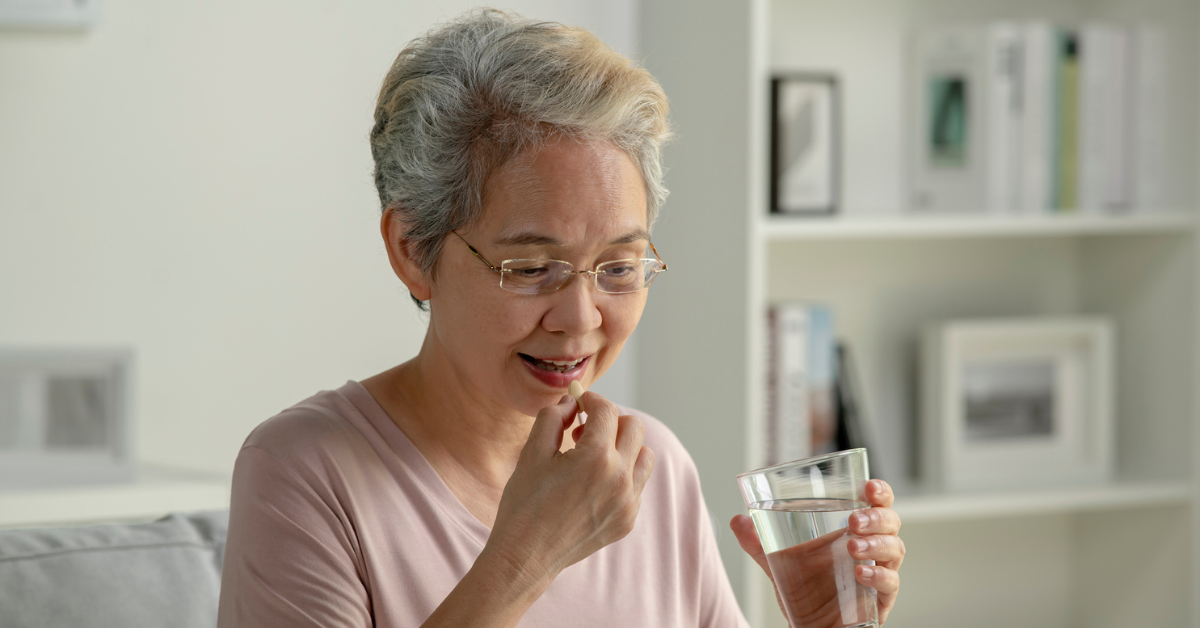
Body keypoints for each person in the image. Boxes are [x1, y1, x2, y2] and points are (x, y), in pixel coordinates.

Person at [216, 9, 905, 627]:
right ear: (412, 249)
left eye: (618, 267)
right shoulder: (304, 471)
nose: (580, 319)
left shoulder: (650, 467)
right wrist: (525, 557)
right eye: (531, 268)